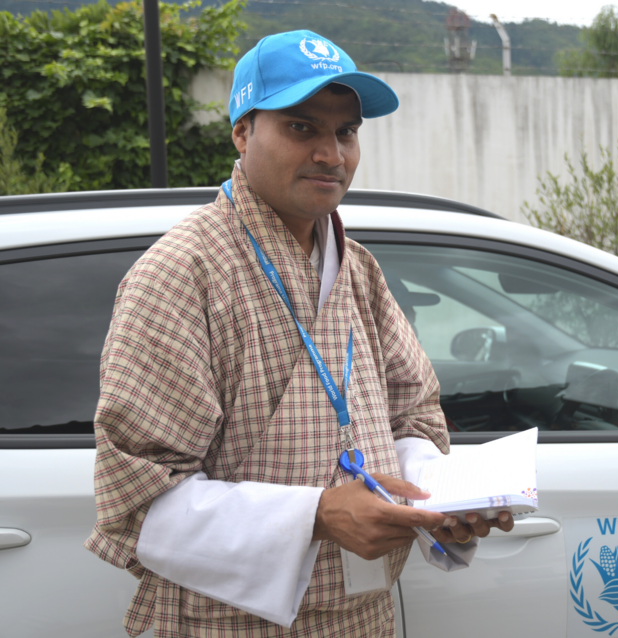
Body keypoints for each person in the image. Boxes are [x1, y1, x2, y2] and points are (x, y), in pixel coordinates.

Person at [85, 30, 513, 638]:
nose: (331, 154)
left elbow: (411, 415)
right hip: (227, 623)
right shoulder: (181, 274)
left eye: (346, 132)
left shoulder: (356, 267)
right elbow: (141, 502)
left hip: (362, 617)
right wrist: (315, 514)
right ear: (241, 132)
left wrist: (428, 496)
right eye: (301, 127)